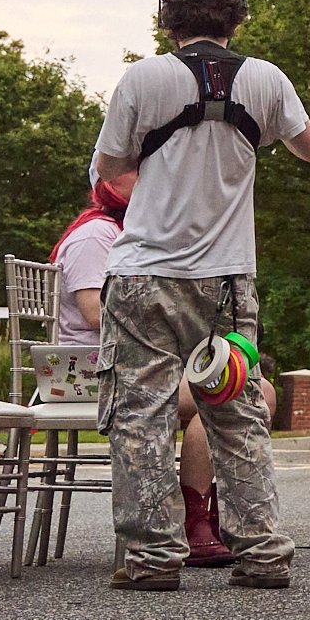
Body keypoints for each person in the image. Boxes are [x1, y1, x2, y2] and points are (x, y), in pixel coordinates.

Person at [90, 0, 310, 591]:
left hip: (146, 275)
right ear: (237, 17)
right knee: (237, 410)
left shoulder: (144, 78)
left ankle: (151, 559)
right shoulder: (266, 79)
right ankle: (264, 552)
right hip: (228, 282)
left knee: (142, 412)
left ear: (167, 17)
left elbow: (109, 167)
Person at [51, 167, 237, 565]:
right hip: (95, 371)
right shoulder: (95, 235)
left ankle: (207, 513)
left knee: (245, 387)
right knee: (218, 394)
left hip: (139, 364)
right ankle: (195, 522)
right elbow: (92, 314)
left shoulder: (134, 237)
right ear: (107, 182)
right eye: (137, 173)